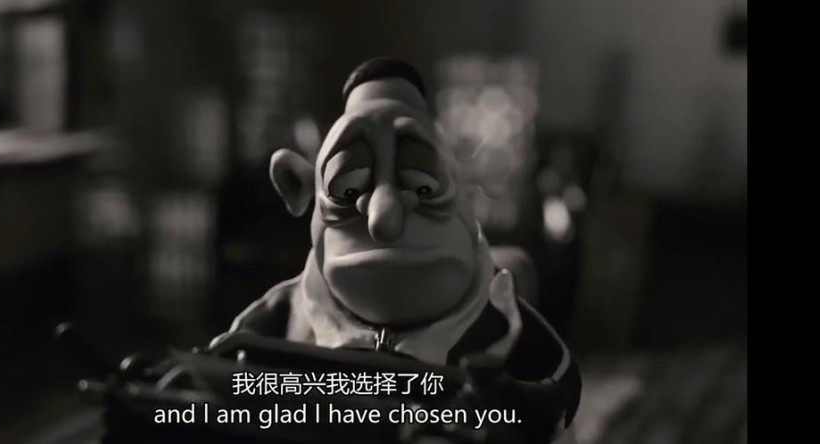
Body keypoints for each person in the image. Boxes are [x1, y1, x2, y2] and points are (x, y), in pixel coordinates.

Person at [212, 58, 581, 443]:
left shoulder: (498, 321)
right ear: (298, 187)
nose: (382, 220)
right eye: (348, 190)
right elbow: (226, 369)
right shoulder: (288, 313)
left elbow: (557, 394)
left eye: (422, 188)